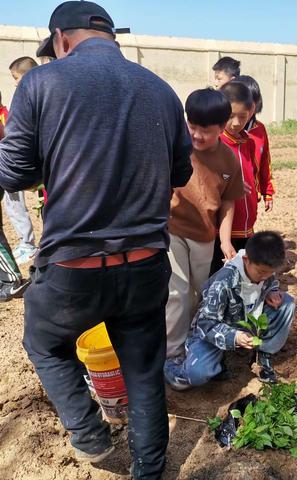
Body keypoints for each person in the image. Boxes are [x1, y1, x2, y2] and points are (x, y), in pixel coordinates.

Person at [0, 2, 192, 479]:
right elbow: (181, 172)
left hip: (74, 268)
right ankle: (149, 472)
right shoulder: (162, 91)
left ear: (61, 39)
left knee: (44, 343)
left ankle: (89, 434)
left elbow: (12, 172)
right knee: (144, 375)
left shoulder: (40, 83)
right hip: (147, 262)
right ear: (113, 37)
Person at [166, 88, 245, 359]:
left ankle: (196, 341)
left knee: (200, 293)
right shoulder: (176, 147)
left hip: (204, 236)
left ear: (222, 128)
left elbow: (228, 203)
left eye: (206, 130)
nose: (197, 135)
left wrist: (225, 240)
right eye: (192, 127)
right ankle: (173, 352)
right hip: (172, 229)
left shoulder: (228, 160)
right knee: (176, 291)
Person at [164, 231, 295, 389]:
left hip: (245, 319)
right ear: (246, 259)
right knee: (197, 374)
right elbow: (206, 324)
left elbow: (270, 280)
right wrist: (234, 336)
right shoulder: (223, 282)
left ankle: (263, 355)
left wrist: (272, 291)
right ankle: (174, 369)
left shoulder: (263, 269)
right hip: (215, 330)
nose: (265, 277)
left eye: (270, 273)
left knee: (287, 303)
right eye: (261, 272)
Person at [210, 80, 257, 274]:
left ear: (251, 111)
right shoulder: (216, 144)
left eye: (242, 117)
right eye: (230, 117)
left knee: (243, 276)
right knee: (221, 275)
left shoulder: (248, 142)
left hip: (247, 225)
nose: (236, 122)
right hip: (222, 228)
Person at [0, 57, 39, 264]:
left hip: (15, 167)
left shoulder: (6, 115)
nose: (14, 82)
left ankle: (29, 243)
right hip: (11, 168)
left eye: (15, 77)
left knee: (17, 206)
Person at [236, 75, 275, 212]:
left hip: (251, 197)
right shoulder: (222, 131)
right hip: (228, 197)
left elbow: (265, 162)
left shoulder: (260, 130)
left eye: (250, 103)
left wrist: (267, 191)